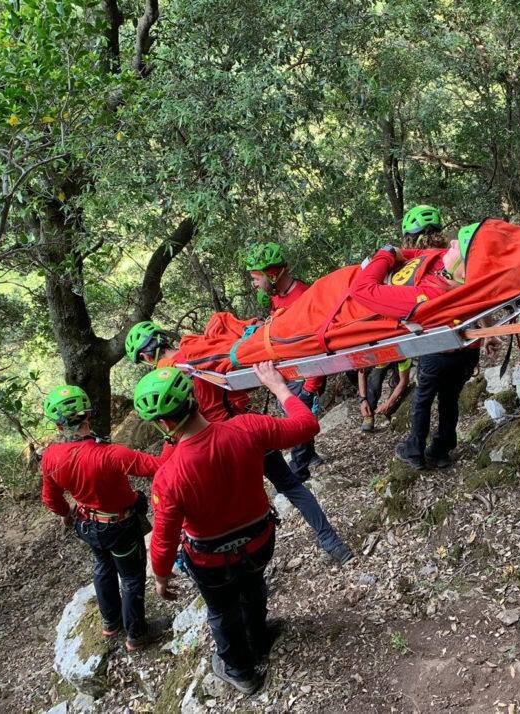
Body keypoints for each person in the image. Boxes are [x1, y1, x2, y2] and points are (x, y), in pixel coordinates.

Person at [137, 362, 319, 695]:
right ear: (194, 397)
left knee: (221, 610)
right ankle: (259, 637)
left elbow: (163, 538)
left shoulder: (169, 475)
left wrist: (161, 577)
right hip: (259, 541)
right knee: (253, 587)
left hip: (210, 560)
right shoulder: (246, 428)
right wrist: (279, 388)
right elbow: (306, 426)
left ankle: (241, 670)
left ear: (162, 423)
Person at [124, 321, 352, 565]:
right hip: (249, 430)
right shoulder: (201, 350)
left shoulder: (164, 378)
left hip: (217, 445)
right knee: (291, 486)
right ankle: (331, 542)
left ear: (146, 355)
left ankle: (235, 567)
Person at [40, 384, 170, 651]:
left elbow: (50, 497)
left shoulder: (51, 456)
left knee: (103, 565)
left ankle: (110, 623)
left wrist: (65, 514)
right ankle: (136, 635)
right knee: (131, 577)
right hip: (119, 526)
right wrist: (172, 437)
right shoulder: (110, 454)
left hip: (87, 524)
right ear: (88, 414)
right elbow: (159, 467)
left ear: (57, 424)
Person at [355, 226, 484, 470]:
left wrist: (386, 253)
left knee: (423, 399)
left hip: (440, 348)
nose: (453, 241)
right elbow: (482, 303)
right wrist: (489, 335)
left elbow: (362, 291)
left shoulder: (429, 291)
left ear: (461, 265)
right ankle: (442, 450)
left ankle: (414, 449)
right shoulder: (470, 281)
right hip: (468, 348)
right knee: (450, 399)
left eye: (459, 245)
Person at [244, 242, 325, 477]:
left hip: (304, 373)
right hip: (287, 370)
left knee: (297, 421)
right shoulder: (277, 297)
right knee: (296, 414)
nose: (255, 284)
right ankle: (311, 456)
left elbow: (316, 345)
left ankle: (298, 473)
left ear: (272, 274)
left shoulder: (304, 297)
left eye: (257, 278)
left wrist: (311, 387)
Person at [358, 359, 411, 432]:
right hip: (378, 360)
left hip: (398, 357)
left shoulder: (403, 355)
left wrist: (388, 404)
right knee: (374, 382)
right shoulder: (367, 353)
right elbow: (361, 373)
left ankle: (393, 410)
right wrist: (363, 399)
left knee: (398, 383)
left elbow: (404, 381)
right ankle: (369, 413)